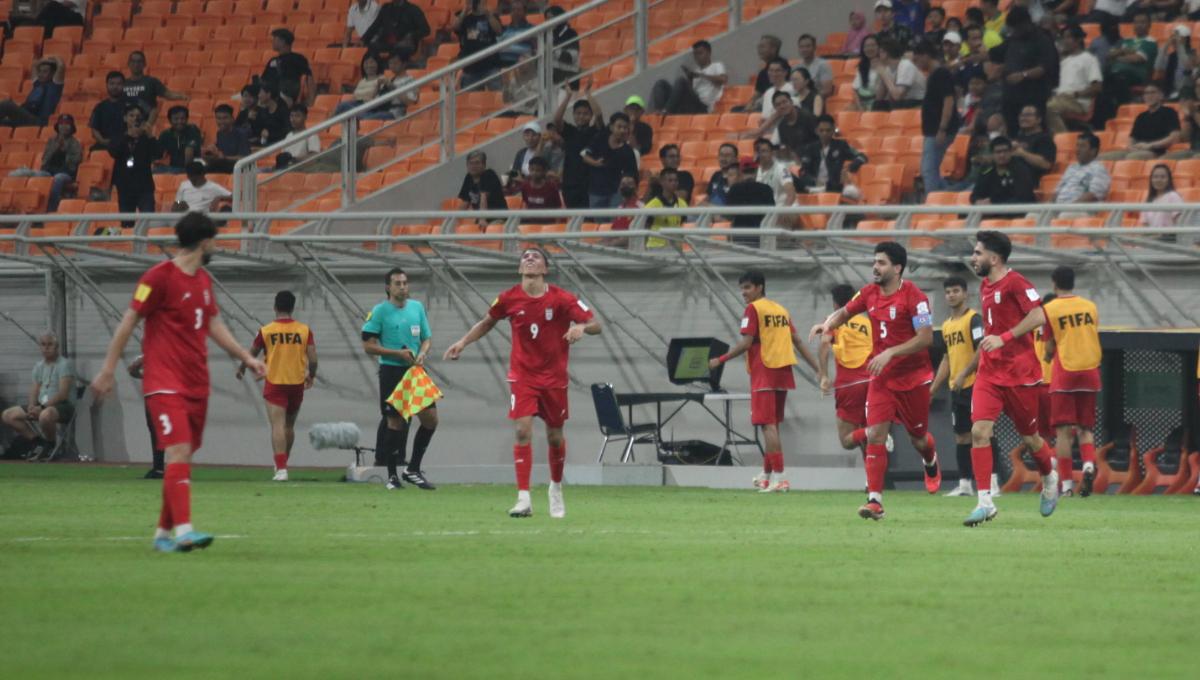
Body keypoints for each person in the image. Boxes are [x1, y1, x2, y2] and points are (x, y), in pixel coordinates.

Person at [91, 212, 267, 553]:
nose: (217, 246)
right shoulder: (157, 277)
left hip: (196, 382)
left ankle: (161, 535)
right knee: (177, 451)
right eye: (214, 240)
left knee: (181, 457)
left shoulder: (202, 281)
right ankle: (184, 530)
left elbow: (214, 325)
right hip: (164, 380)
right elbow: (129, 321)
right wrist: (109, 369)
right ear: (204, 242)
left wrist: (246, 357)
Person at [444, 247, 602, 517]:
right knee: (522, 431)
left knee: (554, 437)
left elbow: (596, 323)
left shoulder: (563, 298)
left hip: (554, 378)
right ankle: (524, 498)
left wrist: (581, 328)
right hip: (523, 376)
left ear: (545, 269)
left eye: (535, 257)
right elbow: (487, 322)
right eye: (525, 257)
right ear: (520, 269)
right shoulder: (508, 298)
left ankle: (555, 488)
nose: (529, 259)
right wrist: (462, 342)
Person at [809, 241, 943, 521]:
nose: (875, 267)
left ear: (897, 268)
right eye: (874, 262)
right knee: (876, 435)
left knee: (918, 439)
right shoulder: (869, 292)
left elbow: (927, 338)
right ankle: (875, 501)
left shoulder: (916, 297)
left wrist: (892, 352)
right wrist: (828, 324)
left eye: (881, 263)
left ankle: (930, 460)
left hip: (914, 379)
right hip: (881, 379)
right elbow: (845, 311)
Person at [963, 230, 1059, 526]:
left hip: (1020, 375)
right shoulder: (984, 286)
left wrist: (1004, 338)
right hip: (990, 375)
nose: (973, 257)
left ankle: (1050, 475)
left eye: (978, 253)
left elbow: (1039, 316)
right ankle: (985, 502)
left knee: (1031, 439)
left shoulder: (1017, 282)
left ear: (994, 258)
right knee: (979, 432)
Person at [709, 271, 819, 493]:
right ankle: (766, 475)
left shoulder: (753, 309)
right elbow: (797, 340)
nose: (744, 293)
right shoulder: (780, 310)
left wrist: (720, 360)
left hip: (764, 371)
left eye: (748, 288)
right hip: (783, 372)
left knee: (767, 426)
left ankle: (781, 478)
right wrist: (819, 368)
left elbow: (746, 343)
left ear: (760, 287)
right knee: (772, 426)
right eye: (742, 288)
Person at [362, 268, 438, 490]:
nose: (403, 287)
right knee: (395, 422)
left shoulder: (417, 307)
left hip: (415, 372)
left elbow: (427, 338)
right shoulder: (379, 312)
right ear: (388, 287)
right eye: (398, 283)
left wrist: (423, 352)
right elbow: (368, 346)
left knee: (431, 418)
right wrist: (397, 354)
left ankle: (413, 469)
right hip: (392, 372)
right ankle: (392, 475)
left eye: (405, 283)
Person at [929, 276, 1002, 497]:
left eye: (956, 291)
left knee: (984, 434)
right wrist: (933, 388)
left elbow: (983, 348)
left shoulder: (974, 320)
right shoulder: (947, 326)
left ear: (965, 294)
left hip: (976, 384)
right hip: (957, 388)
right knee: (962, 437)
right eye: (948, 291)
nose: (952, 295)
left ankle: (993, 482)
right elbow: (946, 359)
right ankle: (964, 484)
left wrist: (964, 373)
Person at [237, 291, 317, 482]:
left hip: (275, 383)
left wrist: (241, 369)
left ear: (275, 307)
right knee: (289, 426)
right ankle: (283, 464)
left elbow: (252, 353)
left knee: (277, 426)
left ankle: (281, 469)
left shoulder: (266, 330)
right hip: (296, 383)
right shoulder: (304, 330)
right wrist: (311, 375)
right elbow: (313, 359)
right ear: (292, 308)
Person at [1041, 266, 1101, 498]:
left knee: (1063, 432)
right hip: (1090, 371)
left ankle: (1066, 486)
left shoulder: (1051, 308)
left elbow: (1049, 344)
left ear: (1054, 283)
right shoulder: (1090, 307)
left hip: (1065, 372)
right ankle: (1087, 465)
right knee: (1086, 428)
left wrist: (1047, 357)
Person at [817, 284, 875, 462]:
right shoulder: (868, 322)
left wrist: (824, 375)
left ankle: (872, 431)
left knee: (847, 441)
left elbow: (825, 344)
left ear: (835, 304)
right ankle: (871, 483)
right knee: (867, 438)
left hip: (849, 385)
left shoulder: (834, 319)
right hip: (872, 383)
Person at [1, 333, 75, 462]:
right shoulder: (39, 366)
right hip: (41, 406)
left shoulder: (64, 365)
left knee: (45, 415)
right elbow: (34, 389)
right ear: (40, 347)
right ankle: (38, 442)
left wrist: (42, 407)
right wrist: (31, 406)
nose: (46, 348)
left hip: (62, 406)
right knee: (8, 415)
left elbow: (63, 394)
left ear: (56, 347)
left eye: (50, 345)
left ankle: (50, 445)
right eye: (43, 345)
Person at [997, 6, 1058, 136]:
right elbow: (995, 53)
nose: (1014, 31)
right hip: (1011, 96)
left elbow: (1044, 67)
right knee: (1011, 130)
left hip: (1033, 95)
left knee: (1035, 132)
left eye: (1016, 27)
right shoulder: (1013, 39)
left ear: (1026, 23)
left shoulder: (1043, 40)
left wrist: (1023, 75)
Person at [9, 113, 81, 212]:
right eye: (61, 123)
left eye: (67, 123)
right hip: (48, 171)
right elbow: (45, 159)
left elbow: (75, 162)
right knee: (27, 173)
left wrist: (65, 150)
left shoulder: (75, 143)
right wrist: (57, 148)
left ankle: (51, 209)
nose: (64, 126)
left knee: (57, 179)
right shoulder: (52, 141)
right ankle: (21, 207)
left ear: (71, 127)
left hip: (65, 173)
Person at [916, 39, 959, 193]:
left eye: (917, 58)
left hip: (937, 130)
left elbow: (948, 101)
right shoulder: (934, 75)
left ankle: (933, 206)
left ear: (926, 56)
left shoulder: (941, 73)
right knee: (930, 170)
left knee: (928, 169)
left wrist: (942, 128)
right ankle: (947, 196)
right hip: (932, 130)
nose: (917, 63)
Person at [552, 82, 604, 209]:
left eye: (585, 113)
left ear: (590, 116)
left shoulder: (595, 131)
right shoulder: (569, 131)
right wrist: (568, 96)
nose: (581, 116)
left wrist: (588, 95)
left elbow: (599, 115)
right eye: (578, 113)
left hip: (589, 184)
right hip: (570, 184)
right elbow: (557, 119)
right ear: (574, 115)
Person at [1100, 83, 1181, 160]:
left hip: (1156, 151)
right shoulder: (1141, 116)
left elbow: (1175, 137)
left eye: (1152, 92)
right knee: (1103, 157)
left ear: (1161, 95)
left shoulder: (1169, 112)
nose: (1149, 96)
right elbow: (1132, 138)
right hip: (1138, 150)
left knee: (1133, 157)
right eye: (1146, 93)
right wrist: (1132, 147)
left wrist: (1150, 145)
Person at [1046, 25, 1102, 134]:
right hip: (1059, 98)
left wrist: (1075, 94)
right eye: (1063, 38)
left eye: (1068, 37)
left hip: (1077, 101)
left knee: (1050, 108)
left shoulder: (1089, 59)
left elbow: (1097, 87)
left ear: (1079, 39)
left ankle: (1063, 140)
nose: (1064, 41)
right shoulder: (1063, 61)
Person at [108, 104, 159, 224]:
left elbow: (158, 154)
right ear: (125, 118)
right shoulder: (118, 136)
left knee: (147, 222)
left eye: (138, 116)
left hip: (144, 186)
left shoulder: (147, 137)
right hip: (125, 186)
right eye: (131, 115)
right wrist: (127, 136)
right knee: (127, 223)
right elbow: (113, 152)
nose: (135, 118)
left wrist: (150, 135)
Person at [796, 115, 868, 196]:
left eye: (828, 130)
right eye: (821, 130)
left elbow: (862, 157)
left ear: (833, 130)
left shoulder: (841, 145)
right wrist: (815, 181)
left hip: (834, 187)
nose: (825, 133)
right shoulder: (810, 148)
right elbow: (803, 172)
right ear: (816, 131)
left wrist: (849, 168)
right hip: (814, 187)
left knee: (852, 192)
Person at [650, 40, 728, 114]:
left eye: (700, 53)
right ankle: (659, 113)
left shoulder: (717, 65)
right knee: (661, 83)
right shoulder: (696, 71)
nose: (697, 57)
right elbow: (691, 92)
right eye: (695, 54)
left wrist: (701, 75)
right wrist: (690, 78)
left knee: (680, 80)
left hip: (703, 107)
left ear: (709, 53)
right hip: (689, 103)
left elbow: (723, 80)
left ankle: (666, 111)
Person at [582, 112, 639, 209]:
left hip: (616, 193)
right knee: (599, 223)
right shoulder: (600, 139)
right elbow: (585, 157)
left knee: (615, 223)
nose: (622, 130)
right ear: (612, 127)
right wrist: (595, 163)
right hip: (596, 191)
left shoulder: (628, 151)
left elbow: (632, 173)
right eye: (619, 127)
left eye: (625, 128)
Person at [1104, 10, 1158, 105]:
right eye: (1136, 22)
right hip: (1118, 71)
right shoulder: (1127, 41)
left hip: (1138, 75)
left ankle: (1124, 104)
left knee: (1118, 77)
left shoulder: (1150, 42)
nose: (1139, 25)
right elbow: (1109, 56)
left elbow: (1136, 59)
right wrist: (1123, 52)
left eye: (1142, 22)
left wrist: (1119, 56)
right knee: (1104, 76)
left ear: (1149, 25)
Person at [1052, 132, 1111, 215]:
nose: (1078, 149)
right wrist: (1048, 208)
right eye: (1077, 145)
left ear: (1093, 151)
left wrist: (1068, 208)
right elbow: (1057, 192)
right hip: (1060, 209)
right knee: (1032, 215)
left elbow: (1092, 195)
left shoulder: (1099, 169)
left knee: (1065, 215)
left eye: (1082, 146)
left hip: (1082, 211)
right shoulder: (1071, 167)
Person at [124, 50, 187, 126]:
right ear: (128, 64)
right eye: (133, 61)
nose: (136, 64)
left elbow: (167, 94)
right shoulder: (123, 83)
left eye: (139, 61)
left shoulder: (151, 81)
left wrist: (182, 96)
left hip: (146, 125)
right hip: (127, 126)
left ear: (144, 64)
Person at [970, 136, 1036, 209]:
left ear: (1011, 152)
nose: (1002, 155)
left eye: (1005, 151)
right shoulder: (986, 170)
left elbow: (1023, 197)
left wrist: (993, 203)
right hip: (991, 210)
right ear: (992, 154)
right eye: (998, 152)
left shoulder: (1021, 169)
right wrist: (977, 201)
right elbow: (975, 195)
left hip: (1016, 211)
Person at [127, 355, 165, 478]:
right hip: (159, 392)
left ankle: (160, 468)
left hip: (157, 393)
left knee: (157, 430)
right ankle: (170, 469)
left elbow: (132, 369)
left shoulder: (153, 353)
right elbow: (132, 369)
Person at [723, 159, 776, 246]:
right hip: (762, 233)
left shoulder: (734, 189)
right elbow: (772, 213)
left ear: (740, 172)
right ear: (756, 171)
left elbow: (728, 215)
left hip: (739, 234)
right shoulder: (766, 189)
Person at [0, 56, 65, 127]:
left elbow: (61, 65)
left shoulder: (54, 87)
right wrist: (45, 61)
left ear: (53, 74)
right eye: (40, 71)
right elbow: (34, 64)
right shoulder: (38, 83)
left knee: (7, 105)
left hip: (38, 122)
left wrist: (52, 59)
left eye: (45, 72)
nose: (40, 74)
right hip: (26, 118)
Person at [453, 0, 503, 90]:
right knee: (471, 99)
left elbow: (499, 31)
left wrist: (488, 14)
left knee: (496, 96)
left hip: (490, 65)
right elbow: (455, 27)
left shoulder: (491, 16)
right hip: (470, 68)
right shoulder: (466, 18)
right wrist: (465, 10)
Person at [262, 29, 314, 107]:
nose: (272, 42)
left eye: (275, 39)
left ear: (282, 41)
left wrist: (311, 99)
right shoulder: (272, 60)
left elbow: (309, 78)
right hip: (269, 94)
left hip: (286, 94)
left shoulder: (297, 59)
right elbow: (264, 79)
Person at [737, 35, 787, 113]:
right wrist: (750, 103)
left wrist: (756, 105)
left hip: (775, 105)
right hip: (761, 104)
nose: (759, 50)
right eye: (759, 47)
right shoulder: (763, 72)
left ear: (773, 49)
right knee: (736, 109)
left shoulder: (783, 67)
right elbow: (758, 93)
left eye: (762, 47)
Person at [334, 54, 392, 119]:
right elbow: (355, 98)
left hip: (369, 108)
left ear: (378, 64)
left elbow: (378, 99)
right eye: (366, 63)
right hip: (357, 106)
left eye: (372, 62)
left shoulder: (382, 79)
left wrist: (378, 85)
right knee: (342, 106)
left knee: (343, 106)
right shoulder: (362, 81)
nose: (369, 65)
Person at [364, 0, 431, 54]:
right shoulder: (386, 8)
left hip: (405, 44)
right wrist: (363, 40)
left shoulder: (413, 9)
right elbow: (375, 26)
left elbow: (425, 29)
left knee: (400, 50)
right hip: (387, 43)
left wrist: (411, 35)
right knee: (370, 47)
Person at [644, 168, 688, 248]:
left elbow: (682, 224)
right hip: (655, 247)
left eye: (676, 180)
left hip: (676, 248)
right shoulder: (652, 205)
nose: (674, 183)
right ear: (662, 182)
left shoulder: (682, 204)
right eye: (670, 180)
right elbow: (646, 227)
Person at [1011, 105, 1056, 183]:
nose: (1023, 118)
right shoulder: (1018, 138)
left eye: (1028, 115)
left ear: (1039, 119)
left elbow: (1046, 164)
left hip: (1030, 182)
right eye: (1021, 115)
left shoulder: (1045, 139)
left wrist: (1022, 153)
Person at [877, 39, 926, 110]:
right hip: (903, 105)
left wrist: (884, 75)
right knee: (878, 105)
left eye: (880, 52)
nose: (878, 55)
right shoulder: (888, 69)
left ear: (885, 53)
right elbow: (879, 98)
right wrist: (882, 76)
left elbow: (898, 96)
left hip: (917, 104)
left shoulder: (906, 65)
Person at [202, 104, 252, 174]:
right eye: (218, 118)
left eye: (225, 118)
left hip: (238, 169)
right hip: (223, 166)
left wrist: (224, 158)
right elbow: (219, 155)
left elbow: (244, 158)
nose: (221, 121)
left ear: (232, 119)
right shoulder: (219, 133)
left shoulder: (241, 134)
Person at [89, 71, 131, 151]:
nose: (115, 87)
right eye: (112, 84)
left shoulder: (130, 106)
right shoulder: (100, 107)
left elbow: (133, 128)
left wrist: (118, 141)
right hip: (103, 145)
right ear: (107, 85)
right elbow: (94, 129)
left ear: (124, 86)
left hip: (124, 145)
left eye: (119, 84)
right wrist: (102, 141)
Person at [457, 150, 507, 216]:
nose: (473, 166)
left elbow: (483, 198)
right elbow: (465, 202)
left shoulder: (489, 175)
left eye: (477, 163)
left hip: (498, 217)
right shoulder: (468, 177)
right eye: (471, 163)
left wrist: (482, 219)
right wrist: (454, 220)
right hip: (481, 217)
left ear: (484, 165)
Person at [157, 106, 203, 174]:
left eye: (182, 118)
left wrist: (187, 173)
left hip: (192, 169)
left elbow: (189, 153)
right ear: (170, 120)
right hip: (173, 168)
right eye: (176, 119)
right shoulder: (166, 134)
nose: (179, 121)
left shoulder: (193, 130)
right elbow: (157, 153)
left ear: (187, 119)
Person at [545, 5, 581, 88]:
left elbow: (571, 57)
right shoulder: (546, 35)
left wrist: (553, 50)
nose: (548, 21)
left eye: (551, 18)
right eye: (546, 19)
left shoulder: (571, 33)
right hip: (551, 81)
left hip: (569, 80)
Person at [753, 138, 795, 209]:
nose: (762, 154)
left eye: (765, 151)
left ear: (772, 153)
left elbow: (791, 193)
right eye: (760, 152)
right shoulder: (756, 171)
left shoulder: (781, 169)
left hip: (781, 207)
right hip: (764, 208)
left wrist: (785, 211)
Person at [1155, 24, 1194, 100]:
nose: (1175, 40)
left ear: (1185, 39)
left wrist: (1180, 46)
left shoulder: (1192, 54)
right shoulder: (1171, 56)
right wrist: (1166, 46)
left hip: (1185, 90)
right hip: (1169, 90)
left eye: (1178, 37)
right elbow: (1158, 66)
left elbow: (1185, 66)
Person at [277, 106, 322, 170]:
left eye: (297, 116)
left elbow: (314, 157)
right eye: (291, 116)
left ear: (305, 117)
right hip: (286, 168)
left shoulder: (311, 134)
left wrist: (295, 159)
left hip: (300, 168)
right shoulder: (288, 136)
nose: (293, 119)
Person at [1139, 163, 1184, 227]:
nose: (1158, 180)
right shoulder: (1148, 201)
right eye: (1155, 177)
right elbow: (1145, 226)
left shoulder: (1173, 196)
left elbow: (1179, 222)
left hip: (1167, 236)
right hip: (1151, 236)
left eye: (1163, 177)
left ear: (1169, 180)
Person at [497, 0, 537, 69]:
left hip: (522, 64)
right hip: (503, 64)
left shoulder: (531, 28)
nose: (515, 12)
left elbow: (536, 48)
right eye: (513, 10)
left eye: (519, 10)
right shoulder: (505, 29)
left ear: (525, 13)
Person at [852, 35, 883, 111]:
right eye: (866, 46)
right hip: (863, 104)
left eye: (873, 45)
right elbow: (855, 90)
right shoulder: (862, 66)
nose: (869, 48)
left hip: (879, 104)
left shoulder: (885, 65)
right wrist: (860, 108)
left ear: (879, 47)